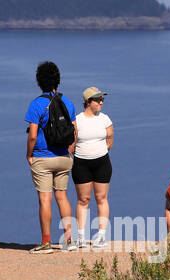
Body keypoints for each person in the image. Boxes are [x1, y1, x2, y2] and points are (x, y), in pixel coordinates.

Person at [25, 60, 78, 253]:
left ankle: (46, 243)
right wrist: (70, 151)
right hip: (64, 157)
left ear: (39, 81)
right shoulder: (68, 102)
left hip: (43, 158)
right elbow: (74, 130)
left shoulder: (37, 104)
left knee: (45, 199)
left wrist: (29, 155)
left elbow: (32, 135)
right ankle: (69, 241)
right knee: (62, 197)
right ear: (57, 80)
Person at [72, 87, 114, 250]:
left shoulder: (105, 119)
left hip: (102, 162)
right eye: (97, 100)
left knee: (101, 198)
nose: (101, 102)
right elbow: (72, 142)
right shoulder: (77, 120)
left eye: (102, 99)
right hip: (81, 163)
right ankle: (81, 236)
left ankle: (101, 236)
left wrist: (101, 151)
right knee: (83, 200)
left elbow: (110, 138)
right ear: (88, 102)